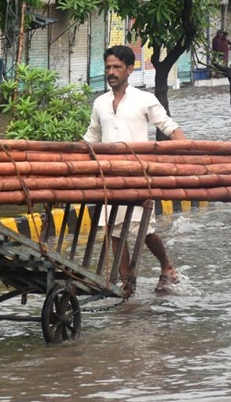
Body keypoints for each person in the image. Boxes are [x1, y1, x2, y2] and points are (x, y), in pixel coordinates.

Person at [83, 45, 185, 295]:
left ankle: (167, 267)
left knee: (143, 228)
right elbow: (91, 137)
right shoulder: (100, 103)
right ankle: (126, 282)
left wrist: (189, 154)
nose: (111, 72)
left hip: (139, 176)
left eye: (117, 67)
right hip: (110, 176)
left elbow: (169, 127)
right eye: (108, 67)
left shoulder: (144, 100)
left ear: (130, 70)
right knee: (115, 232)